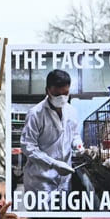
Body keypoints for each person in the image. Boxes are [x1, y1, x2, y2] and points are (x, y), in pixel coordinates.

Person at [17, 71, 87, 199]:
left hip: (65, 180)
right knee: (42, 218)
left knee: (61, 216)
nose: (61, 98)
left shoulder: (71, 111)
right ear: (47, 90)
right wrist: (53, 163)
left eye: (65, 93)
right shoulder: (36, 114)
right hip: (41, 181)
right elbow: (28, 147)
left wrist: (78, 145)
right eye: (57, 94)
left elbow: (74, 134)